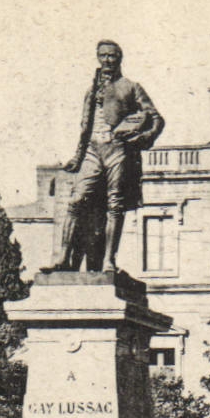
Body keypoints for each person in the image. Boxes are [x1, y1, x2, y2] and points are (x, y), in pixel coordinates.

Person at [44, 40, 164, 274]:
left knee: (114, 204)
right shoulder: (91, 90)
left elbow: (157, 119)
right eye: (103, 56)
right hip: (92, 150)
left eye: (112, 56)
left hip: (117, 149)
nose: (107, 60)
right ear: (98, 58)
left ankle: (109, 260)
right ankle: (61, 259)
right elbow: (85, 127)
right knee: (76, 201)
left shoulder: (130, 87)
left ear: (120, 59)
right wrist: (78, 156)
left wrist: (141, 138)